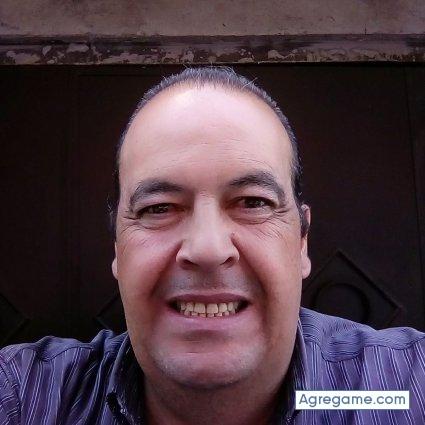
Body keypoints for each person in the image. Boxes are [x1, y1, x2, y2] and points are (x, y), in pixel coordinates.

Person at [0, 67, 424, 425]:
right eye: (159, 208)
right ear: (117, 249)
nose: (207, 249)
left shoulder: (404, 387)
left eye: (253, 203)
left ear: (301, 243)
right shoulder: (25, 398)